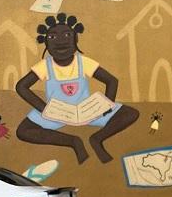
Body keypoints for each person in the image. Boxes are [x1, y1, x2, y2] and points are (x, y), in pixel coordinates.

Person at [16, 13, 139, 164]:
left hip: (86, 110)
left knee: (130, 113)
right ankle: (72, 141)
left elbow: (111, 81)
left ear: (76, 39)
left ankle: (97, 138)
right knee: (23, 131)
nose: (61, 41)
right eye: (53, 37)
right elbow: (21, 86)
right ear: (46, 44)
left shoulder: (83, 62)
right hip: (56, 112)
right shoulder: (45, 66)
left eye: (67, 34)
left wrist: (106, 105)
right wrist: (43, 108)